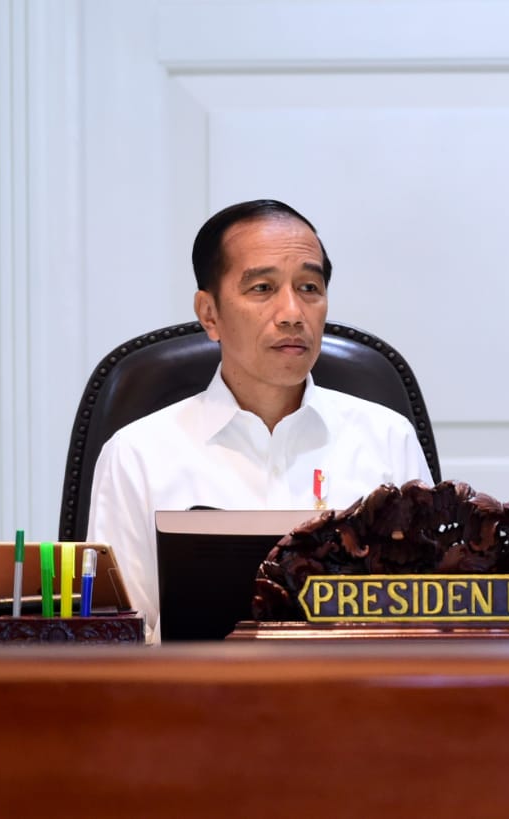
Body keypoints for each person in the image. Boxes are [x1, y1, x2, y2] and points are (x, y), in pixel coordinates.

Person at [87, 199, 433, 639]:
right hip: (194, 702)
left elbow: (424, 627)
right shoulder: (137, 455)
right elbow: (119, 643)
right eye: (262, 289)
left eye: (309, 287)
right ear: (209, 314)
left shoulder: (387, 440)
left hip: (354, 700)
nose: (292, 313)